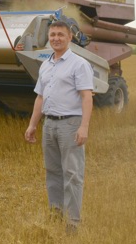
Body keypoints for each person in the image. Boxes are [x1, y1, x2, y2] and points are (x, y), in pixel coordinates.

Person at [24, 19, 94, 232]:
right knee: (53, 171)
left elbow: (86, 97)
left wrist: (84, 127)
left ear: (69, 37)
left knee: (72, 173)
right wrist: (32, 125)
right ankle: (56, 214)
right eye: (52, 34)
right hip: (50, 125)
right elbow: (40, 98)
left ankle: (73, 222)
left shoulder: (79, 64)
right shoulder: (46, 64)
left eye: (60, 35)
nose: (55, 38)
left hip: (70, 124)